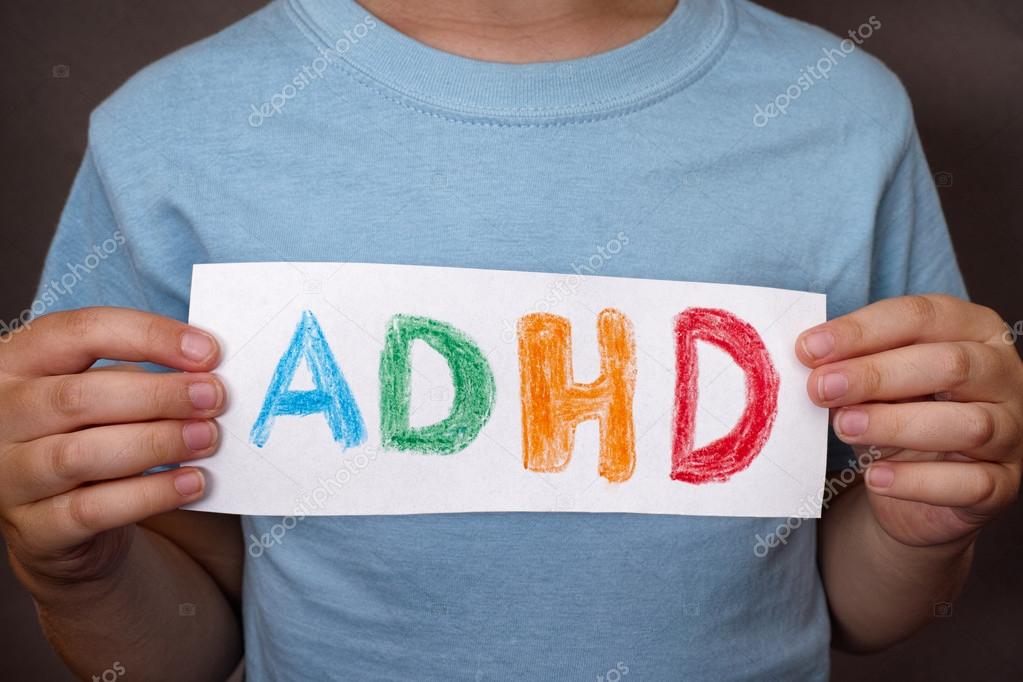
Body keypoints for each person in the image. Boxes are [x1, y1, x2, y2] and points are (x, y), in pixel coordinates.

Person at [1, 0, 1020, 679]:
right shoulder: (173, 131)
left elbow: (860, 605)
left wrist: (922, 524)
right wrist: (75, 574)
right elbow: (185, 640)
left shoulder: (843, 114)